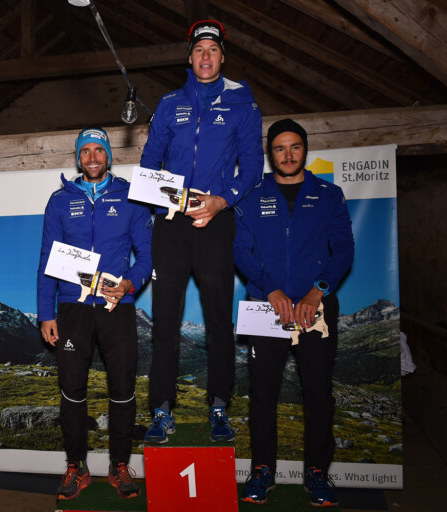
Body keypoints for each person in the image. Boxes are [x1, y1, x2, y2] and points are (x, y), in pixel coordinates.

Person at [139, 19, 263, 444]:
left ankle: (219, 407)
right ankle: (161, 410)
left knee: (218, 322)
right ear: (189, 58)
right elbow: (149, 162)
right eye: (198, 50)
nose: (205, 56)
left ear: (222, 57)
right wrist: (164, 200)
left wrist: (221, 201)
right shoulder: (169, 103)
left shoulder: (243, 104)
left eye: (212, 49)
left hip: (215, 221)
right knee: (164, 323)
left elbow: (252, 167)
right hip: (171, 224)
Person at [234, 119, 354, 507]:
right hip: (264, 305)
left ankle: (317, 472)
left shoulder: (329, 194)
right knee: (262, 394)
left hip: (314, 308)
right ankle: (262, 471)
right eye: (280, 148)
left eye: (295, 147)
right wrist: (270, 289)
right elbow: (240, 250)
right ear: (271, 153)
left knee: (318, 392)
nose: (288, 155)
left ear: (305, 150)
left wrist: (318, 290)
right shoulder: (252, 194)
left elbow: (344, 249)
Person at [37, 127, 153, 500]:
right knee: (72, 389)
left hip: (116, 307)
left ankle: (119, 466)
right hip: (72, 308)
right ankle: (76, 466)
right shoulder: (59, 201)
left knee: (122, 387)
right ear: (78, 157)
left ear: (108, 156)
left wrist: (130, 284)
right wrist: (46, 312)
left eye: (98, 150)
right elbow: (47, 259)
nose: (92, 157)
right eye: (85, 151)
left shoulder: (130, 197)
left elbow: (147, 254)